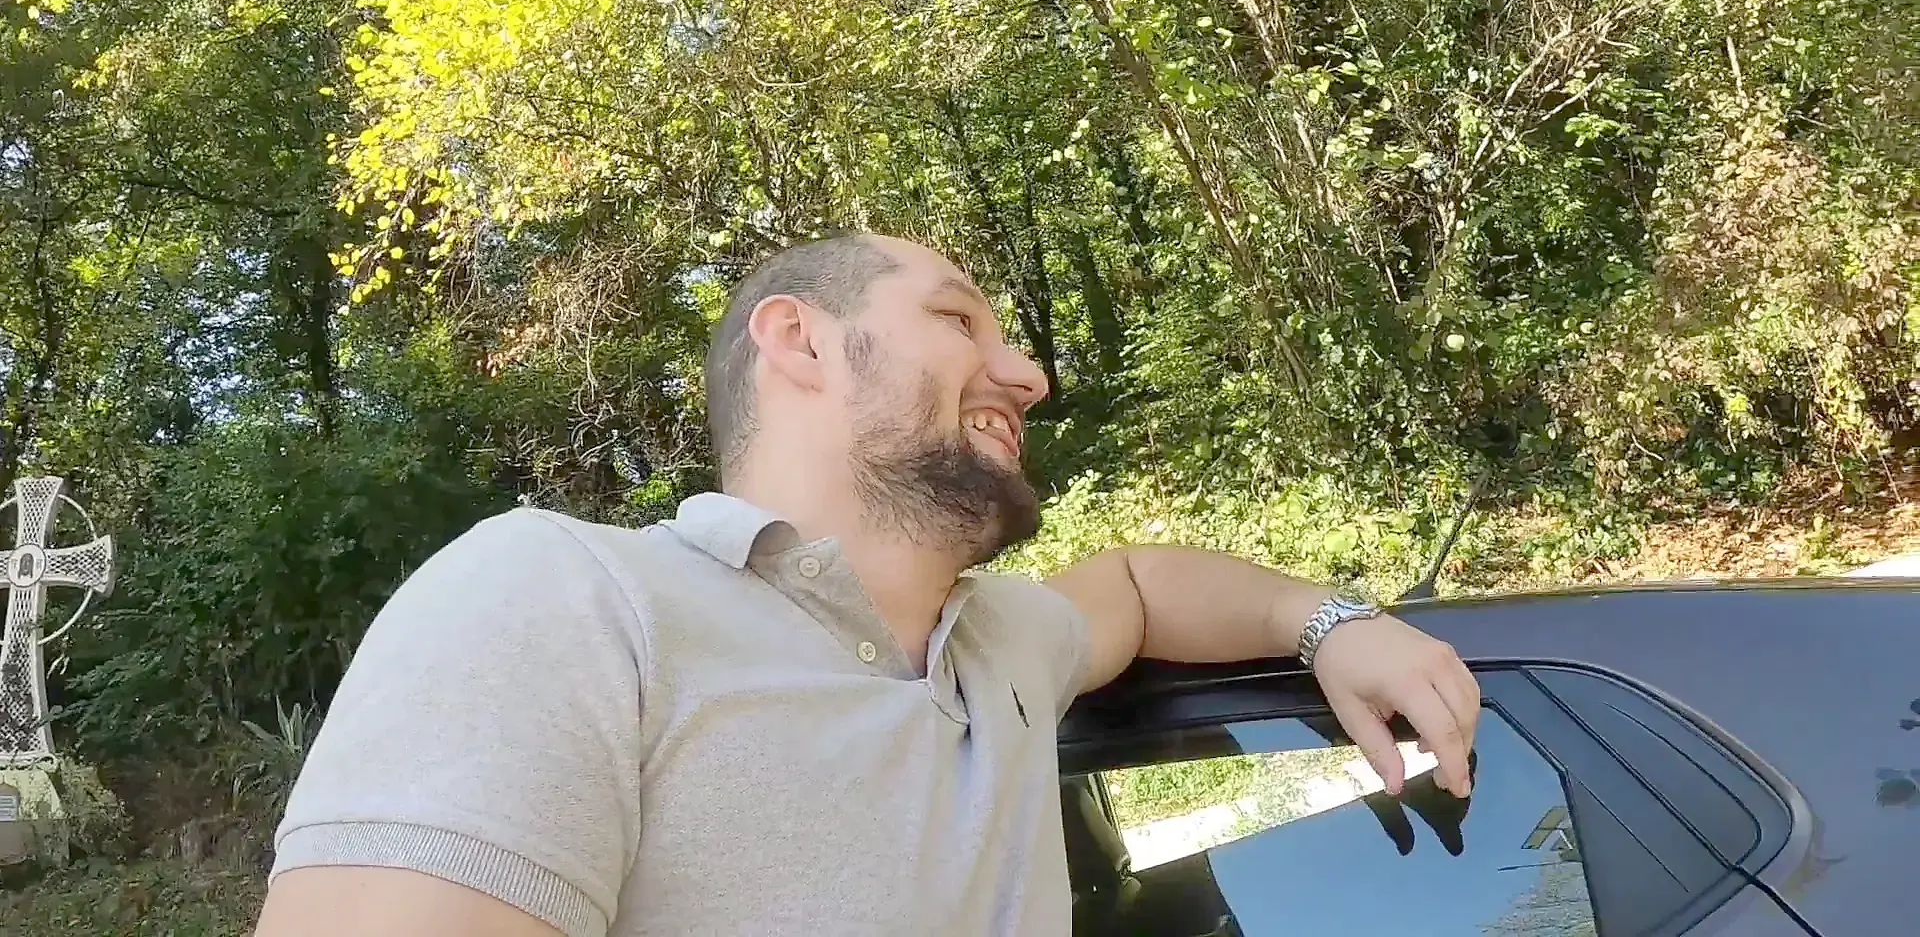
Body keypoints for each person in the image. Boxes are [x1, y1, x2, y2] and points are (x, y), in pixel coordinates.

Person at [253, 234, 1479, 937]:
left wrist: (1329, 622)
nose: (1030, 375)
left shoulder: (1004, 642)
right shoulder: (564, 598)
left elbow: (1140, 585)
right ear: (801, 341)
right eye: (961, 320)